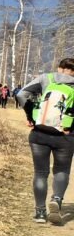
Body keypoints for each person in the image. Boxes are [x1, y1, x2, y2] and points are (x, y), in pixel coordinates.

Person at [17, 58, 74, 223]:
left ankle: (40, 212)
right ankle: (56, 199)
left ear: (59, 68)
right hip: (66, 135)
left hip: (39, 134)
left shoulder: (46, 79)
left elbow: (21, 94)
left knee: (40, 173)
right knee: (62, 171)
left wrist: (31, 115)